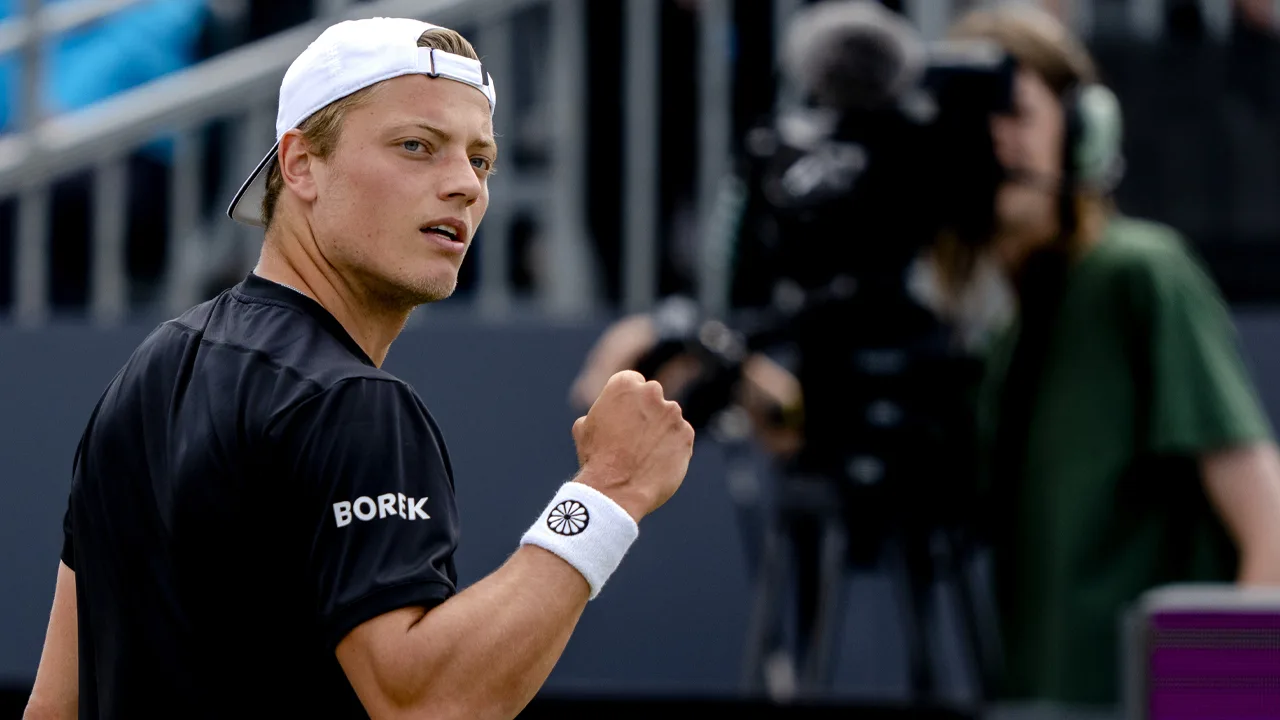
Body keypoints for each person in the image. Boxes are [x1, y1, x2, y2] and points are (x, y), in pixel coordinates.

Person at [23, 17, 694, 720]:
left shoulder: (147, 370)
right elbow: (427, 704)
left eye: (481, 160)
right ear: (300, 164)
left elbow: (52, 703)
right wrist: (608, 490)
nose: (465, 184)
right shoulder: (348, 402)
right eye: (417, 146)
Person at [931, 4, 1280, 716]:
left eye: (1016, 113)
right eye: (975, 120)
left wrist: (1230, 701)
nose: (996, 142)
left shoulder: (1141, 273)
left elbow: (1269, 528)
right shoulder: (1005, 337)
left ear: (1083, 130)